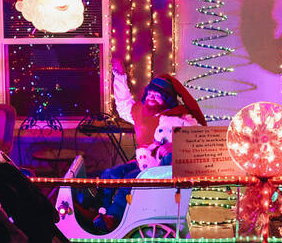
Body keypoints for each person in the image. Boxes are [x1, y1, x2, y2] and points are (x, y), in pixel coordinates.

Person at [81, 58, 205, 232]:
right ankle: (100, 211)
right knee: (109, 174)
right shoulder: (141, 111)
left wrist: (176, 145)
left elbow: (199, 136)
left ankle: (114, 218)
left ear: (167, 98)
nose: (152, 98)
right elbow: (124, 105)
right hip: (142, 162)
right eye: (150, 94)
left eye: (158, 95)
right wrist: (120, 76)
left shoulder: (180, 116)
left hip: (161, 169)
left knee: (127, 181)